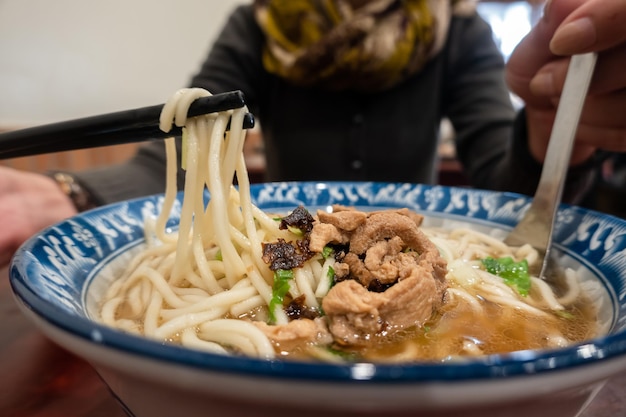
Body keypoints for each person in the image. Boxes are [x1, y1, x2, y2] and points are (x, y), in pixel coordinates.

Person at [0, 0, 624, 268]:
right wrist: (72, 192)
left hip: (428, 255)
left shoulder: (456, 29)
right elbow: (192, 143)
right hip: (283, 254)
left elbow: (497, 178)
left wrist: (547, 125)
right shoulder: (259, 25)